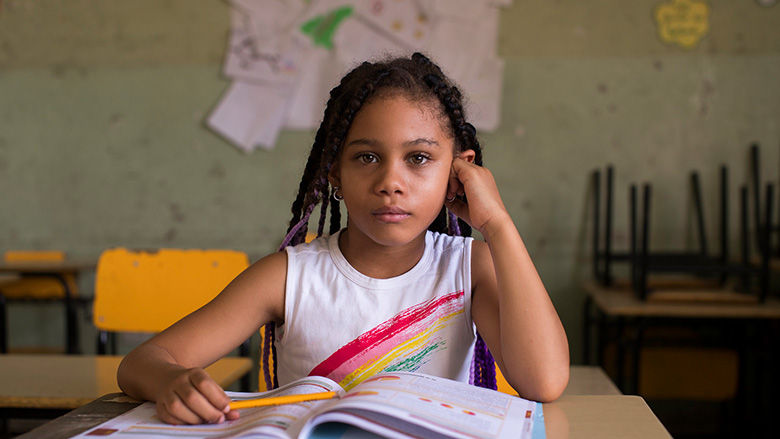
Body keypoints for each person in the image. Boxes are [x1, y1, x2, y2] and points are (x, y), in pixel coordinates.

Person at [117, 52, 569, 425]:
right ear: (335, 172)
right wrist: (170, 381)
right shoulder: (288, 276)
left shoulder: (470, 267)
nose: (391, 182)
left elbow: (544, 381)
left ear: (459, 172)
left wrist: (498, 225)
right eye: (367, 157)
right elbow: (142, 362)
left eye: (418, 158)